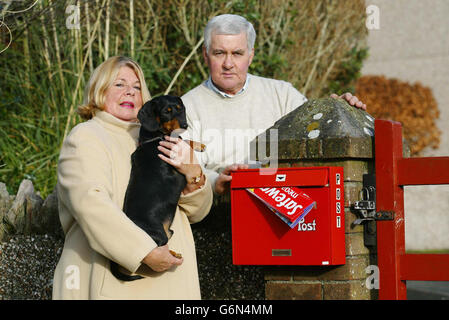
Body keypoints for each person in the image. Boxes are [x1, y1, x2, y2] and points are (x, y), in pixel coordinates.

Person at [52, 56, 213, 300]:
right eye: (119, 84)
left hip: (171, 282)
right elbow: (90, 204)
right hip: (115, 284)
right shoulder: (85, 137)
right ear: (99, 91)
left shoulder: (164, 138)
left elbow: (198, 212)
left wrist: (193, 173)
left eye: (137, 87)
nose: (129, 91)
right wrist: (145, 251)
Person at [182, 14, 367, 195]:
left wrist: (336, 111)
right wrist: (216, 182)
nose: (228, 63)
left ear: (251, 56)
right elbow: (186, 168)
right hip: (221, 206)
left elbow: (315, 131)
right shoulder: (187, 106)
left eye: (237, 53)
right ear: (206, 56)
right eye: (219, 53)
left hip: (286, 198)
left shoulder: (282, 94)